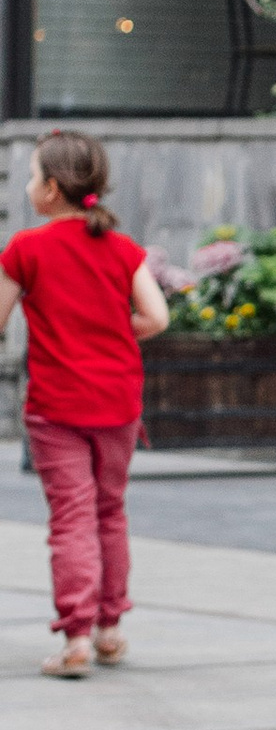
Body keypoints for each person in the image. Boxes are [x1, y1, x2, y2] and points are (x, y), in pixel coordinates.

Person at [0, 130, 169, 679]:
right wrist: (109, 330)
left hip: (56, 408)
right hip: (119, 403)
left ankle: (75, 638)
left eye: (30, 176)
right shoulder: (122, 248)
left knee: (71, 518)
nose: (28, 185)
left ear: (51, 188)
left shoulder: (25, 249)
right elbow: (157, 318)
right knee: (109, 511)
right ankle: (110, 631)